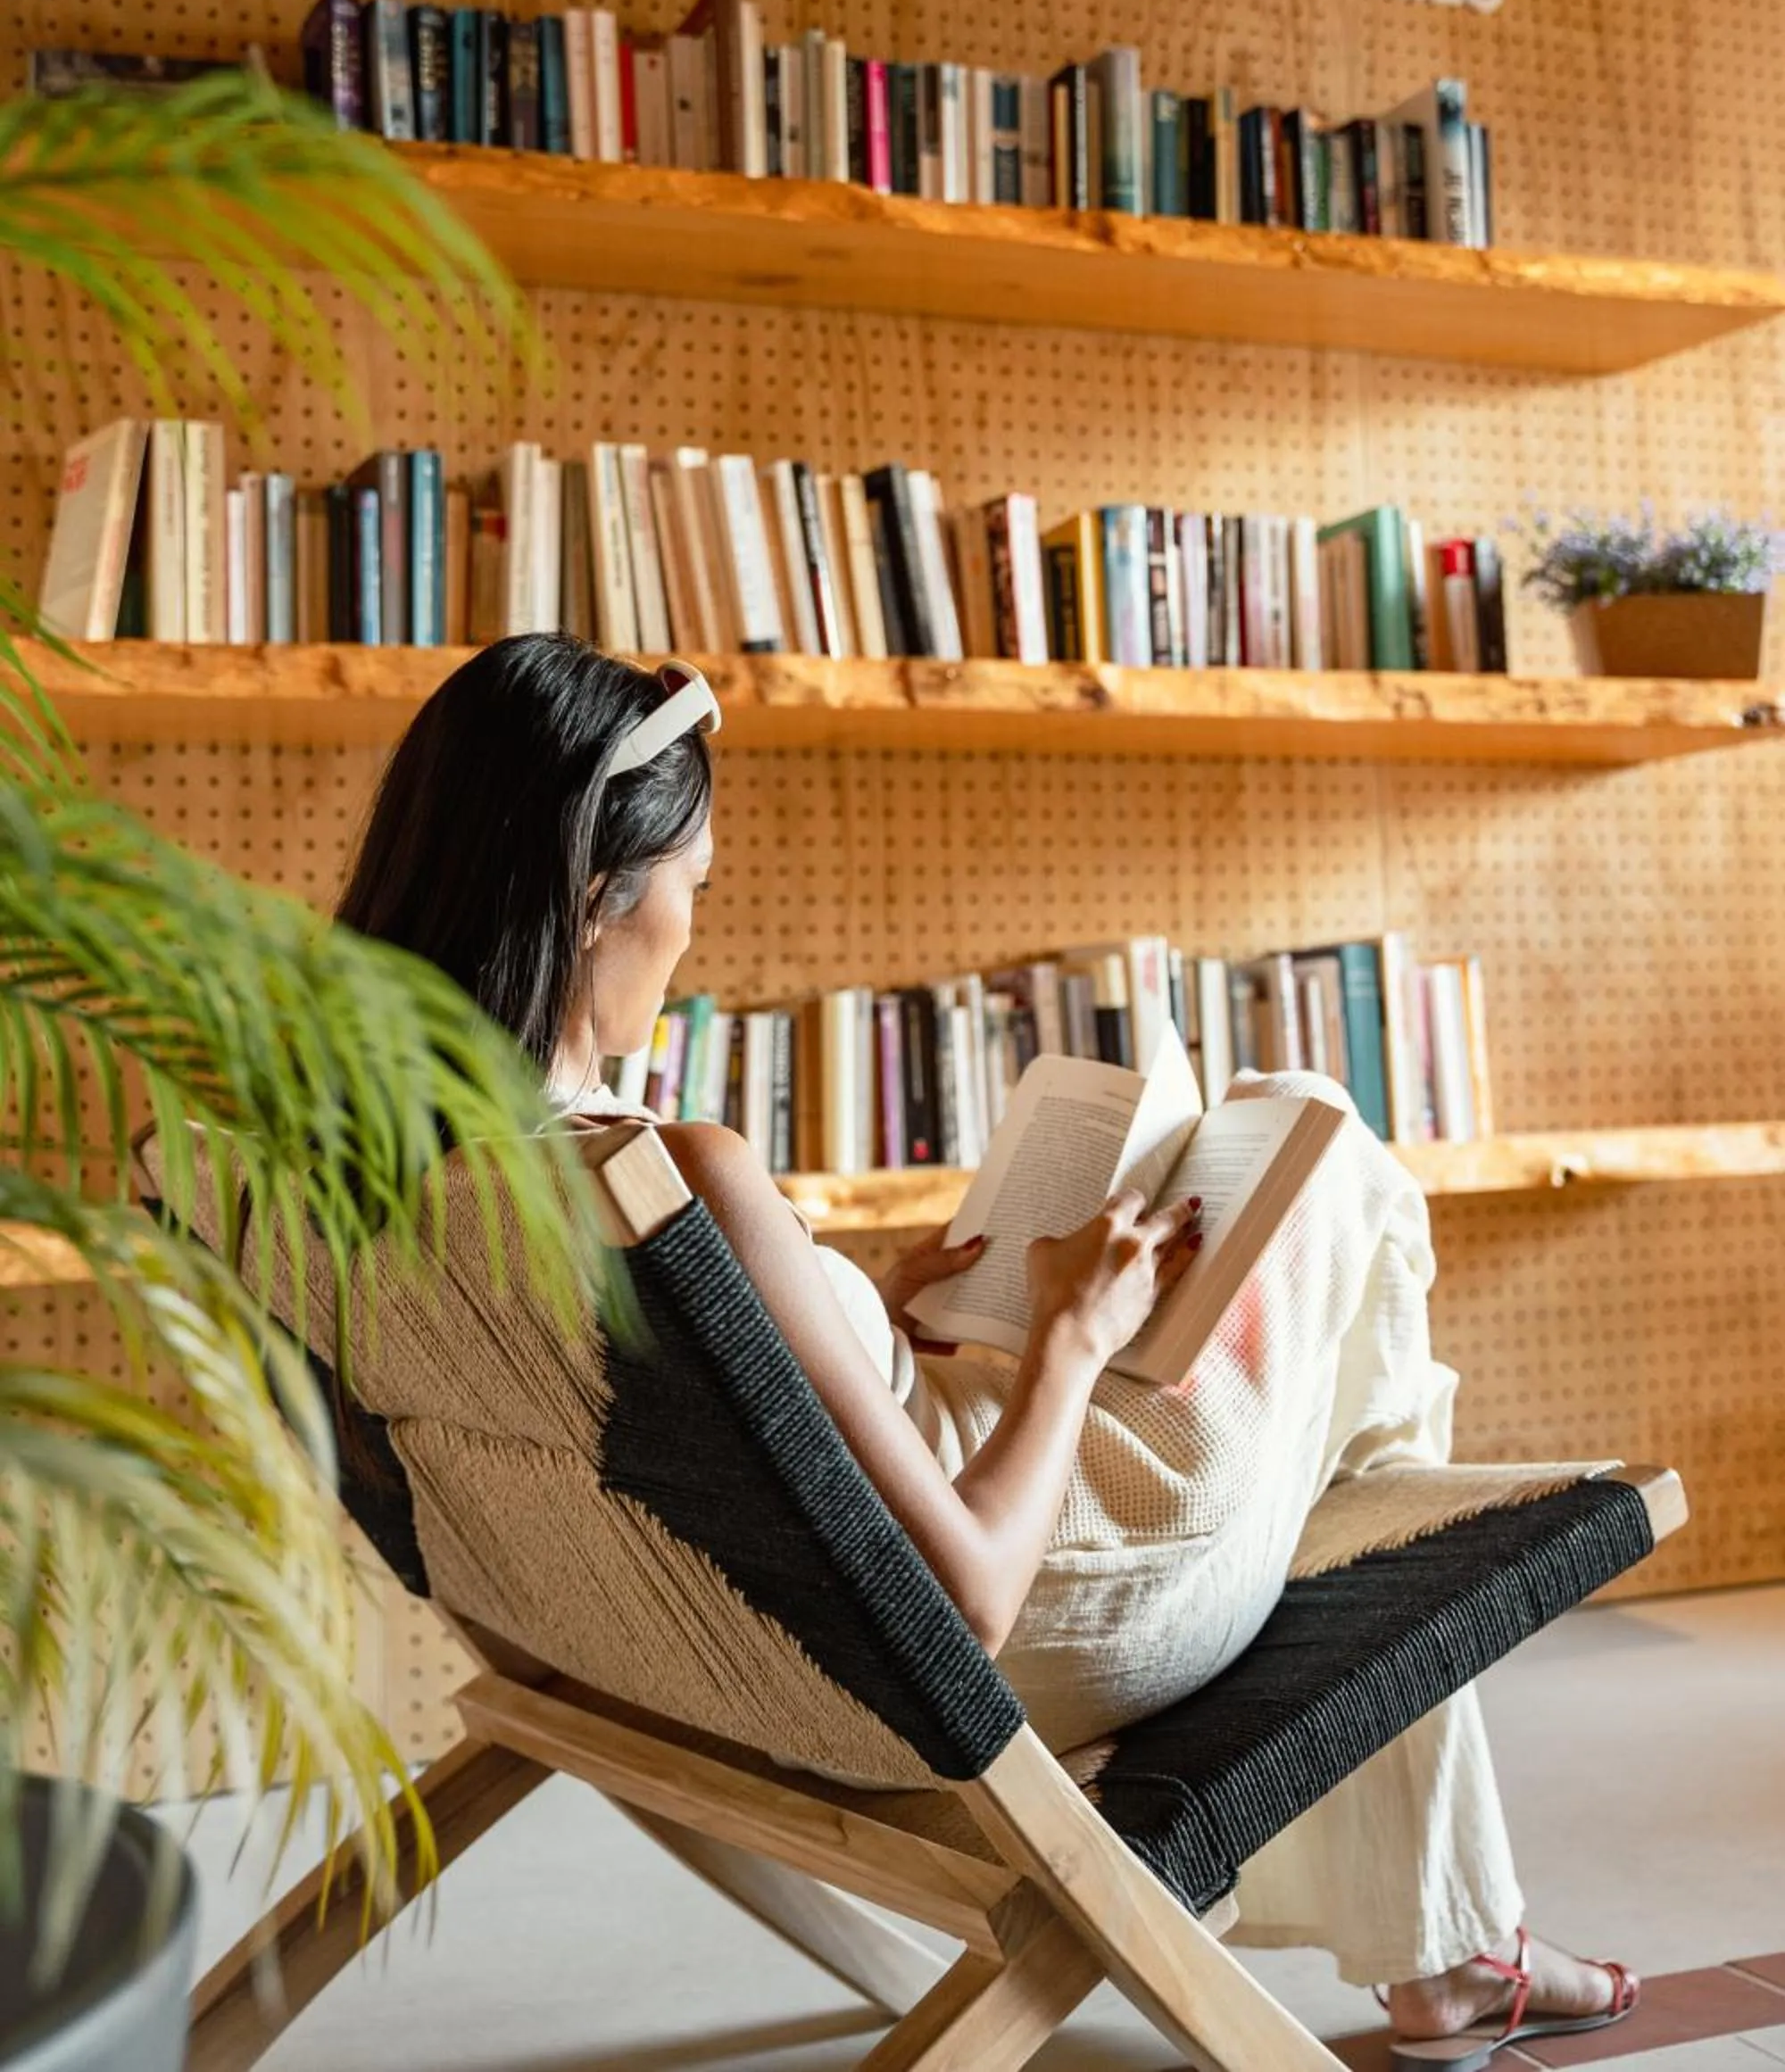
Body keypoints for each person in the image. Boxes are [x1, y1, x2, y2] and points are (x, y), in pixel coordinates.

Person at [338, 634, 1637, 2060]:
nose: (693, 929)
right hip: (1063, 1585)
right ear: (598, 898)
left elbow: (688, 1428)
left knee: (1343, 1413)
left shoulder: (368, 1176)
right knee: (1324, 1144)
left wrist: (840, 1323)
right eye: (692, 888)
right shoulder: (679, 1174)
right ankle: (1451, 1931)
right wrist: (1075, 1335)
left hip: (729, 1635)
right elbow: (969, 1608)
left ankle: (1451, 1927)